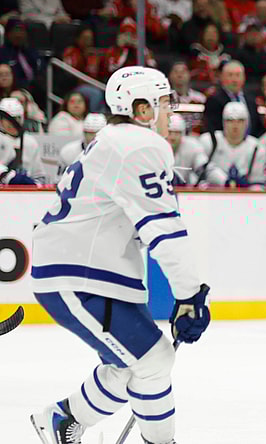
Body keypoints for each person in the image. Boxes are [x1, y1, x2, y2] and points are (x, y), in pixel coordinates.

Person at [29, 66, 211, 444]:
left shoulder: (118, 140)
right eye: (163, 104)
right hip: (78, 273)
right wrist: (189, 294)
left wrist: (187, 293)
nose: (168, 113)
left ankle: (63, 419)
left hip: (92, 269)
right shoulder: (139, 144)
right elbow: (163, 229)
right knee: (152, 360)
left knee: (134, 364)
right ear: (141, 110)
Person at [199, 102, 265, 187]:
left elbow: (257, 183)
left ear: (247, 123)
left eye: (240, 121)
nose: (235, 125)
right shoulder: (208, 141)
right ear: (223, 122)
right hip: (212, 193)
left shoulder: (257, 147)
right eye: (230, 120)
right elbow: (199, 170)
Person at [202, 60, 263, 138]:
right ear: (222, 77)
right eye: (230, 75)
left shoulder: (251, 99)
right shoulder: (214, 100)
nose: (234, 80)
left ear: (244, 78)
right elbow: (212, 128)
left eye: (238, 75)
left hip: (250, 145)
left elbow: (258, 128)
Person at [0, 97, 45, 184]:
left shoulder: (30, 141)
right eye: (8, 120)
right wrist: (9, 176)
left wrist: (34, 185)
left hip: (23, 192)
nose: (12, 123)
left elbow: (39, 175)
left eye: (17, 118)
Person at [166, 113, 209, 185]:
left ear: (183, 134)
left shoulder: (192, 146)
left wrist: (224, 181)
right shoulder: (156, 148)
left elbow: (204, 167)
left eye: (177, 133)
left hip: (184, 191)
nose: (173, 137)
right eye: (169, 132)